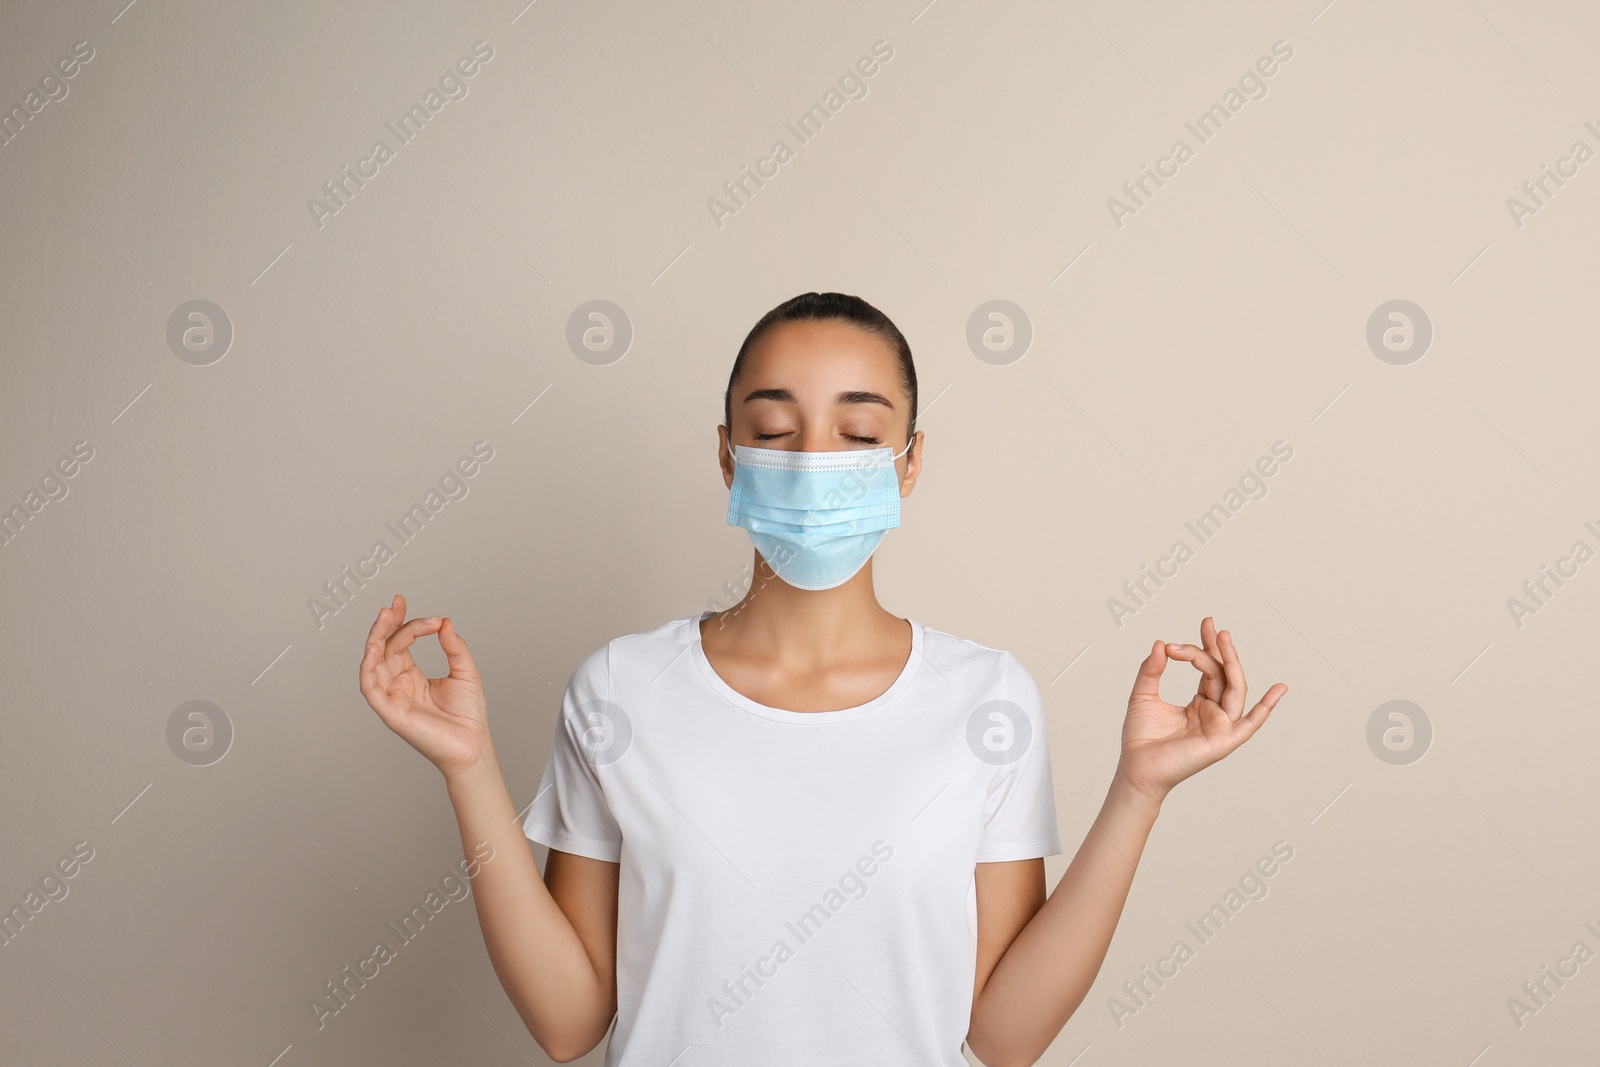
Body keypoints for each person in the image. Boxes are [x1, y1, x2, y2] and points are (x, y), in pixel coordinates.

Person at [358, 291, 1287, 1066]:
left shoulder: (988, 700)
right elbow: (568, 1022)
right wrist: (468, 768)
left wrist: (1137, 792)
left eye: (857, 431)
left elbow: (1002, 1035)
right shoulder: (621, 689)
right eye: (774, 428)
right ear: (727, 452)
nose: (811, 461)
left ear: (910, 461)